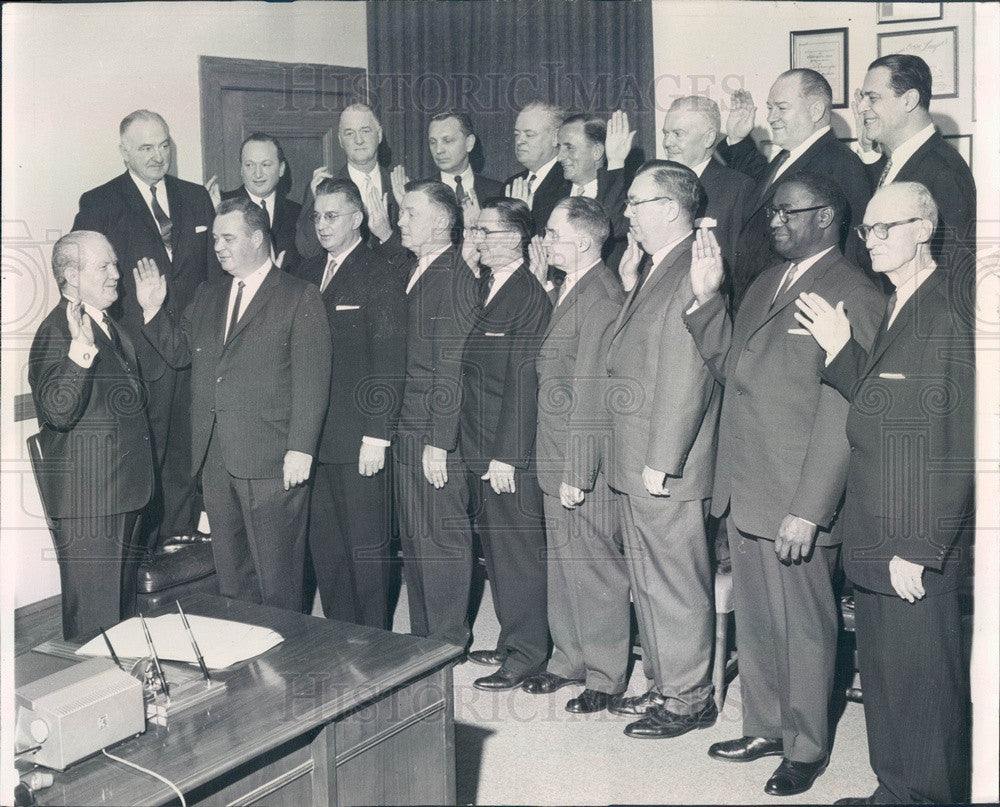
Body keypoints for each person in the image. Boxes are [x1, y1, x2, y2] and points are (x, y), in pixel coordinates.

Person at [684, 172, 884, 796]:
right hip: (747, 487)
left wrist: (810, 509)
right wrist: (707, 300)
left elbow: (843, 410)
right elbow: (732, 369)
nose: (773, 220)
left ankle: (805, 746)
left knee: (804, 628)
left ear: (827, 217)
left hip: (797, 497)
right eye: (771, 211)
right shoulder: (768, 282)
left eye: (787, 212)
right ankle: (765, 725)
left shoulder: (856, 293)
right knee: (762, 622)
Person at [795, 182, 974, 805]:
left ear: (923, 229)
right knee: (888, 678)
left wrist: (919, 547)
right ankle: (895, 790)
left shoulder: (947, 313)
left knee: (924, 689)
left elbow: (952, 443)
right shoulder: (901, 301)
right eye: (866, 230)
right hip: (875, 528)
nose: (871, 241)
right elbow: (882, 407)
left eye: (885, 229)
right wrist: (845, 352)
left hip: (910, 538)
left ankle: (927, 796)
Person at [136, 197, 331, 612]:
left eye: (229, 238)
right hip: (216, 458)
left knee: (278, 577)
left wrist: (302, 447)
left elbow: (312, 380)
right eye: (217, 239)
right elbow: (181, 352)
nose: (218, 247)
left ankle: (288, 660)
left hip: (273, 457)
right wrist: (154, 309)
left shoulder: (299, 296)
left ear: (258, 238)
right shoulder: (209, 294)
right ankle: (247, 660)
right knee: (232, 576)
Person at [605, 160, 721, 738]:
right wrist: (628, 288)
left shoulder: (689, 268)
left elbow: (688, 371)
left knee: (674, 581)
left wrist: (664, 458)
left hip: (663, 460)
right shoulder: (657, 266)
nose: (625, 212)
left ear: (671, 207)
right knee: (647, 577)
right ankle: (663, 681)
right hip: (639, 454)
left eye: (635, 202)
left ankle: (690, 697)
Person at [73, 109, 218, 546]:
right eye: (145, 148)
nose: (158, 156)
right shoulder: (99, 203)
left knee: (187, 458)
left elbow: (213, 278)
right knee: (144, 460)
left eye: (164, 145)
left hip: (192, 353)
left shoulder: (195, 197)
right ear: (124, 153)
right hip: (138, 358)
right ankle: (144, 556)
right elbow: (85, 281)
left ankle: (178, 546)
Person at [523, 196, 630, 713]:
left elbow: (593, 391)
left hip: (578, 458)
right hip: (554, 452)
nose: (544, 240)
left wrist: (579, 469)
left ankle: (606, 675)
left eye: (552, 232)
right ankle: (568, 660)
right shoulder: (574, 286)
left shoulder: (602, 296)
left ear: (584, 242)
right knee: (563, 565)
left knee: (593, 568)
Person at [28, 232, 155, 640]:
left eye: (115, 264)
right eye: (105, 266)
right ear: (71, 276)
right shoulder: (58, 331)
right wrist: (80, 351)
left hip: (124, 493)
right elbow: (57, 411)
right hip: (91, 504)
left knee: (120, 626)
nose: (117, 274)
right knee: (95, 633)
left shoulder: (111, 327)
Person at [295, 178, 407, 629]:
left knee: (367, 549)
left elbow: (390, 359)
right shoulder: (305, 275)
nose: (322, 225)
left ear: (358, 219)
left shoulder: (380, 272)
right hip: (314, 439)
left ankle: (376, 640)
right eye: (317, 216)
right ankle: (341, 636)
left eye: (332, 215)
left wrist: (377, 435)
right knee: (327, 548)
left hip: (361, 437)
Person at [460, 198, 552, 691]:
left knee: (516, 553)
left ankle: (528, 654)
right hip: (478, 443)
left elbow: (523, 381)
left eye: (486, 230)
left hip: (506, 452)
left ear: (517, 238)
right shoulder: (485, 286)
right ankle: (511, 637)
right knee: (495, 552)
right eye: (475, 228)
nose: (477, 237)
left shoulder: (528, 295)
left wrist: (507, 455)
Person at [393, 180, 479, 649]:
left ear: (443, 221)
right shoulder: (417, 268)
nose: (400, 221)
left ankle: (447, 637)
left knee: (441, 535)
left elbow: (454, 364)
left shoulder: (455, 276)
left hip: (434, 429)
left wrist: (440, 441)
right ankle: (423, 636)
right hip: (409, 424)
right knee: (415, 536)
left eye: (410, 213)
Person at [718, 70, 872, 302]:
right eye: (770, 108)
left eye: (781, 107)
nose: (771, 118)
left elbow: (851, 252)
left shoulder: (841, 163)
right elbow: (756, 197)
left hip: (796, 305)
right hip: (758, 302)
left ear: (816, 110)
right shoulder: (784, 158)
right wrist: (738, 140)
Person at [853, 54, 976, 285]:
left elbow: (955, 275)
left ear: (909, 100)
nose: (861, 107)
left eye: (872, 98)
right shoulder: (903, 158)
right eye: (862, 98)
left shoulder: (944, 172)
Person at [657, 95, 754, 306]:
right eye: (665, 134)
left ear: (709, 138)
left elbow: (743, 270)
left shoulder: (737, 188)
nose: (667, 143)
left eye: (677, 134)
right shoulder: (657, 185)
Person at [296, 103, 400, 264]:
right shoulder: (323, 187)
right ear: (340, 141)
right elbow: (307, 250)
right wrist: (317, 201)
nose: (358, 140)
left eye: (365, 131)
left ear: (379, 135)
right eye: (350, 133)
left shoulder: (399, 185)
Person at [206, 132, 303, 273]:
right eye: (249, 165)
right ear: (241, 169)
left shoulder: (297, 212)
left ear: (281, 169)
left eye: (265, 164)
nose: (257, 174)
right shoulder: (220, 206)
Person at [555, 112, 633, 270]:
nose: (559, 157)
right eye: (559, 148)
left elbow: (612, 227)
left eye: (569, 148)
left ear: (597, 151)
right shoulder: (550, 197)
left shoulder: (626, 195)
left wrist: (616, 162)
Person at [389, 111, 504, 212]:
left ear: (469, 143)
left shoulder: (497, 191)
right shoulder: (416, 194)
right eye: (433, 142)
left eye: (447, 140)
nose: (438, 150)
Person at [505, 101, 571, 235]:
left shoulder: (569, 183)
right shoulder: (510, 185)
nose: (519, 141)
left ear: (555, 138)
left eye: (529, 135)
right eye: (517, 134)